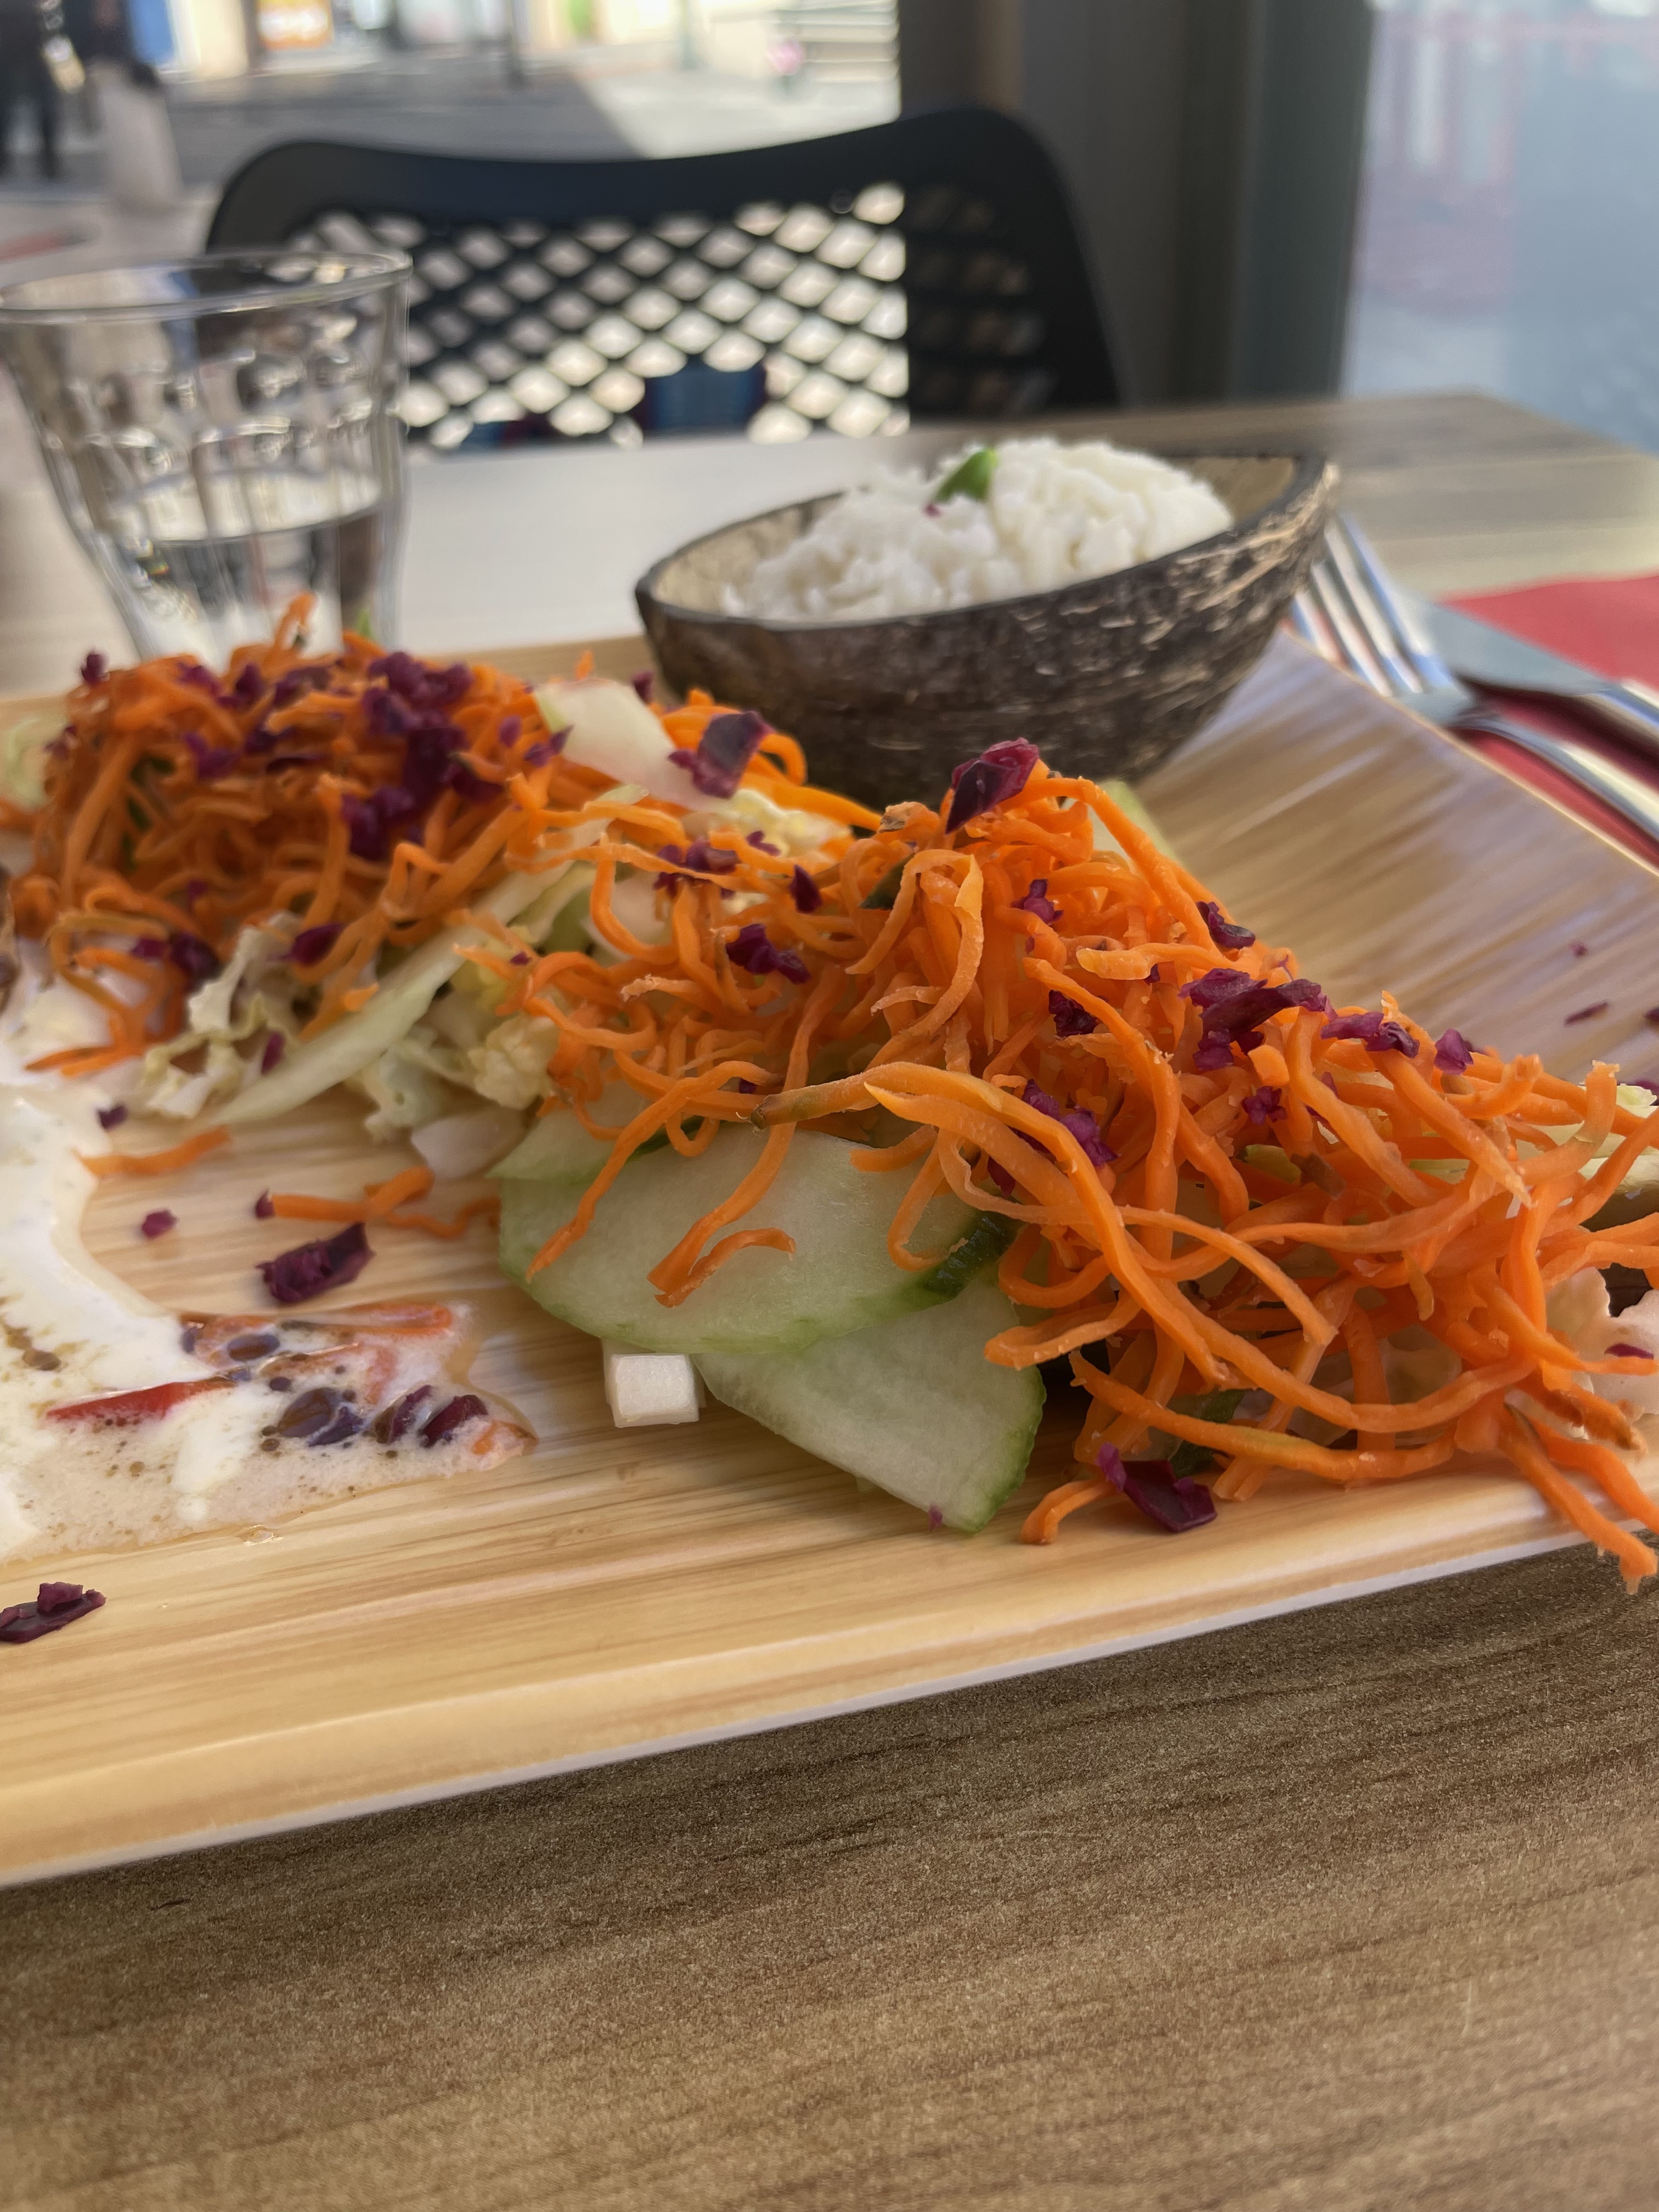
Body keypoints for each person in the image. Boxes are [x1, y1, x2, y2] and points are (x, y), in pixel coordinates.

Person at [0, 0, 58, 179]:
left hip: (34, 21)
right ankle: (48, 161)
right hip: (23, 20)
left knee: (44, 96)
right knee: (6, 97)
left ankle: (49, 160)